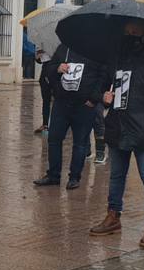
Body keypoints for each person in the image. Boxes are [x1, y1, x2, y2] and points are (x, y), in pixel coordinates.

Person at [89, 21, 144, 248]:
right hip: (117, 127)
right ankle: (113, 215)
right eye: (127, 31)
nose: (131, 34)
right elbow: (101, 86)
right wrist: (102, 96)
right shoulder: (116, 60)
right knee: (116, 175)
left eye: (135, 31)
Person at [33, 44, 107, 190]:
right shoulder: (63, 48)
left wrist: (93, 99)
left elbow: (104, 77)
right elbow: (49, 70)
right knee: (54, 139)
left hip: (84, 105)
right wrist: (57, 69)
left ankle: (74, 177)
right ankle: (53, 175)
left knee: (80, 143)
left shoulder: (97, 51)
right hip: (62, 103)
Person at [36, 51, 56, 135]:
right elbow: (39, 60)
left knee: (56, 101)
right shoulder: (41, 44)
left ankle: (56, 124)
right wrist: (38, 57)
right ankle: (45, 124)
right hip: (44, 73)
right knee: (46, 101)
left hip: (54, 71)